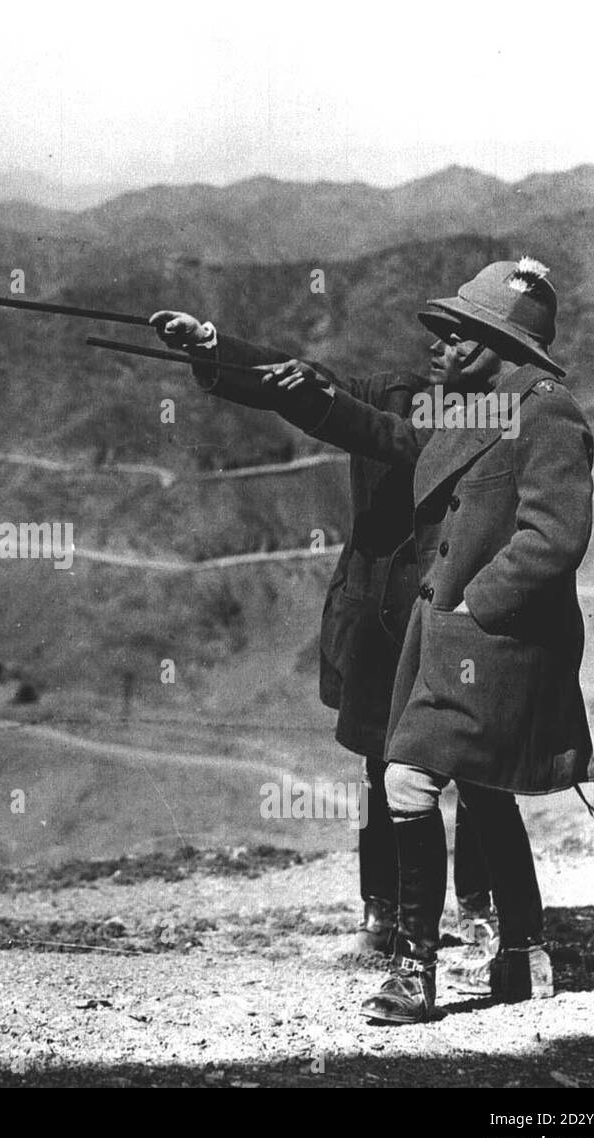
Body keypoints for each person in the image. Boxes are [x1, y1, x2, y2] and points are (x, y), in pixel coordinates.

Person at [166, 257, 594, 1024]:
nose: (439, 343)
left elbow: (555, 535)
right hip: (449, 639)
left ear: (501, 342)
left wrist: (473, 601)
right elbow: (374, 426)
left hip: (493, 641)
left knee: (420, 783)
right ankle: (513, 952)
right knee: (455, 787)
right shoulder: (469, 409)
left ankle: (422, 968)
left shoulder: (546, 410)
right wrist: (225, 353)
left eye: (459, 333)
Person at [145, 308, 496, 966]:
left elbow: (379, 431)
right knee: (380, 769)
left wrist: (319, 394)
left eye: (455, 338)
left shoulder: (495, 416)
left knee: (477, 770)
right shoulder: (392, 390)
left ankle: (480, 907)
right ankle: (383, 912)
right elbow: (297, 377)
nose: (436, 346)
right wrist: (214, 343)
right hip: (380, 626)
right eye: (437, 334)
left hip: (456, 620)